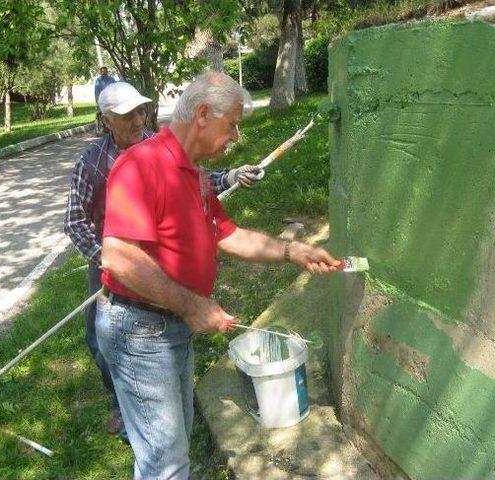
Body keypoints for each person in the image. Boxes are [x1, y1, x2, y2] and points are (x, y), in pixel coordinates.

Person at [97, 71, 340, 479]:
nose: (236, 137)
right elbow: (119, 257)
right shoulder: (140, 165)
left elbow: (228, 234)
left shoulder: (192, 173)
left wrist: (291, 250)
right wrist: (192, 305)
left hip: (168, 326)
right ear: (203, 114)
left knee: (172, 448)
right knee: (165, 460)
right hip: (138, 331)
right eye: (232, 125)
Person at [63, 81, 263, 440]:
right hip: (115, 268)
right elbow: (74, 222)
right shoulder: (93, 164)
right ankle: (124, 406)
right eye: (127, 114)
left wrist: (228, 177)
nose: (138, 119)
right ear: (106, 119)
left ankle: (142, 415)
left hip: (164, 290)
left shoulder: (156, 146)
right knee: (98, 340)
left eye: (141, 110)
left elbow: (190, 183)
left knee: (169, 443)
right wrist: (107, 259)